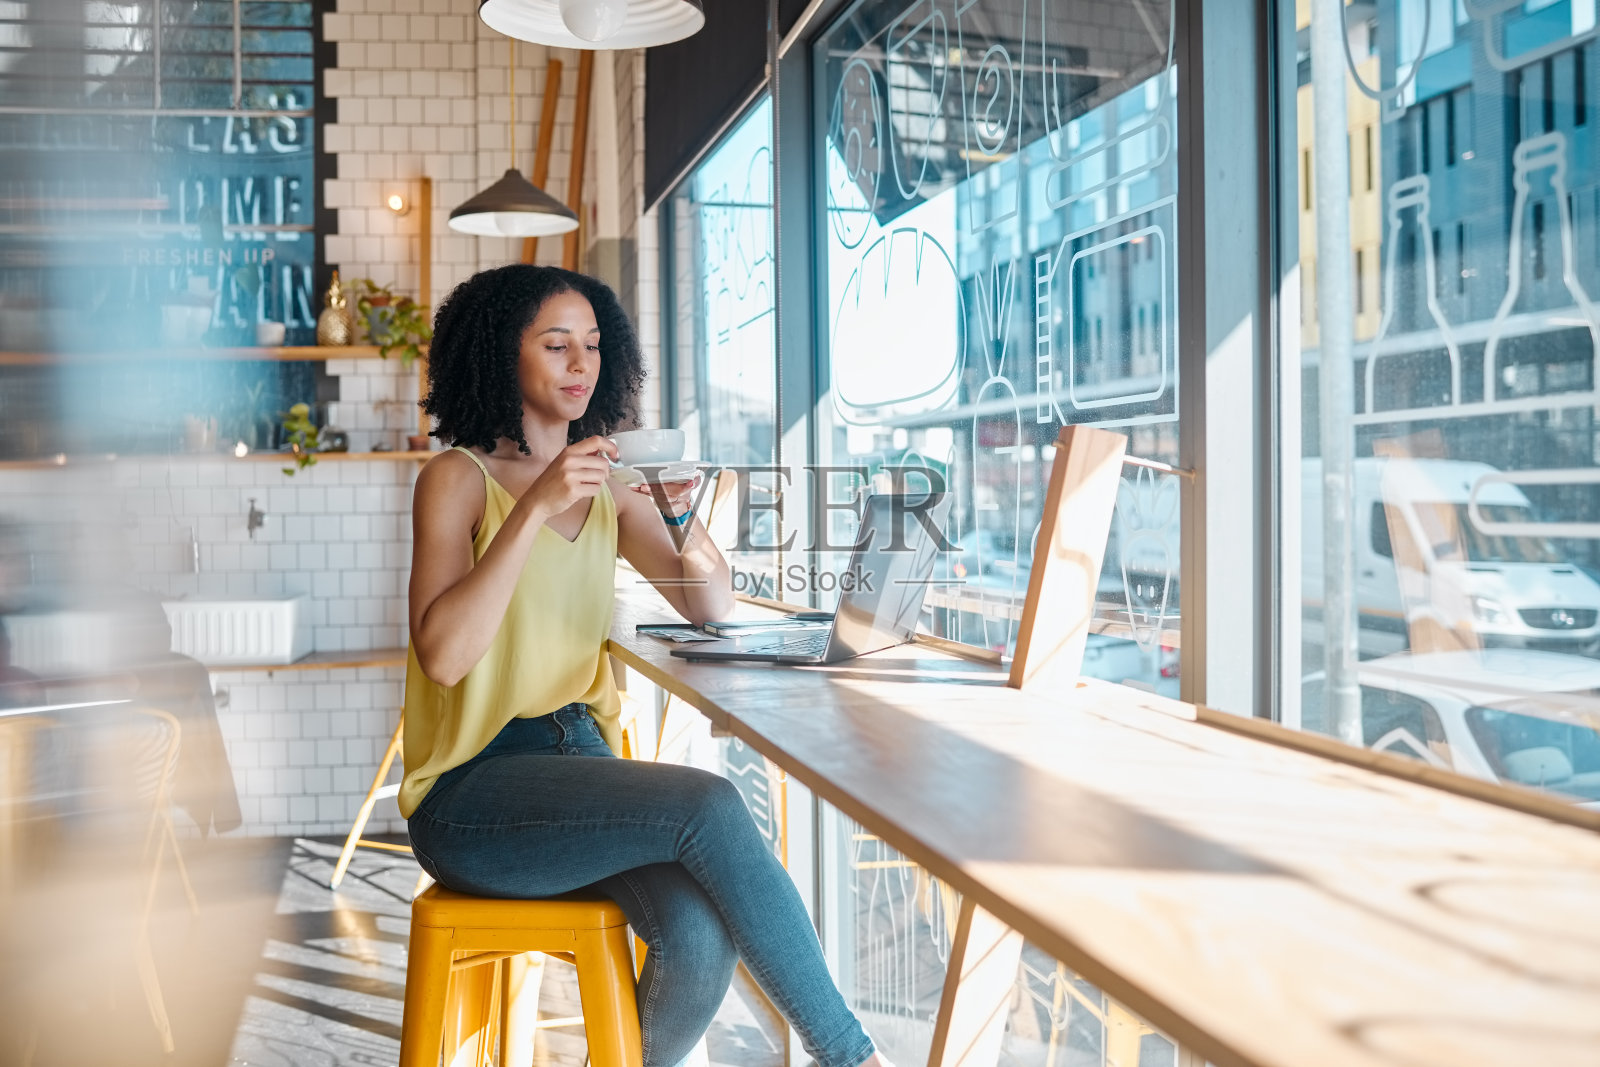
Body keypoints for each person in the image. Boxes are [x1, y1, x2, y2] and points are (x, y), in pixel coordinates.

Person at [401, 264, 886, 1067]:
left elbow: (712, 606)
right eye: (555, 345)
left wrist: (682, 517)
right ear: (500, 357)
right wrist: (533, 508)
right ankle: (853, 1056)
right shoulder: (457, 481)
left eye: (592, 345)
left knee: (697, 941)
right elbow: (445, 658)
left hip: (578, 764)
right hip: (471, 794)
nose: (579, 363)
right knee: (712, 802)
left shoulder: (609, 490)